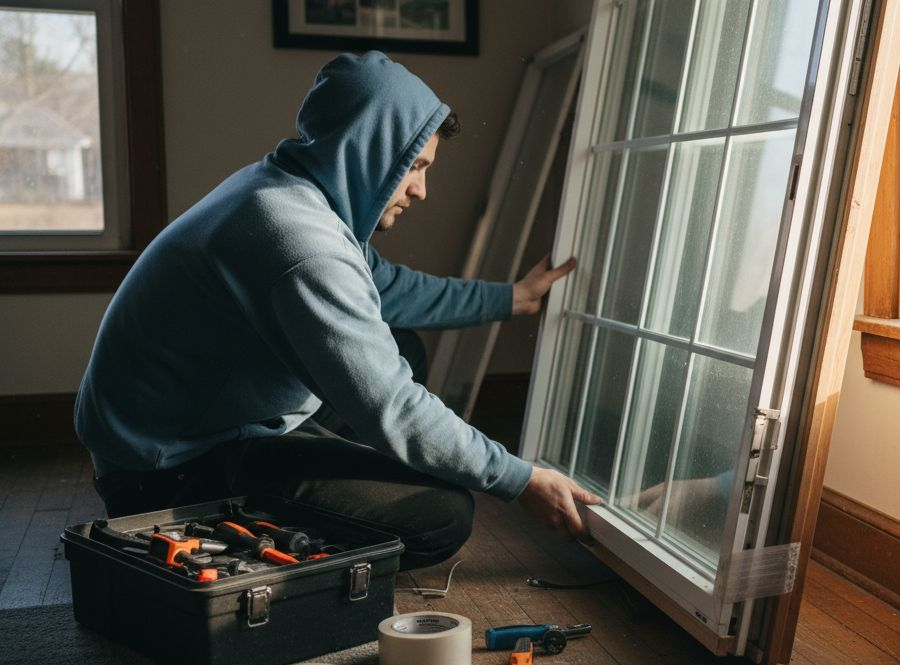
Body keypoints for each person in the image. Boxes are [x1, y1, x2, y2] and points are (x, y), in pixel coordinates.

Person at [74, 51, 600, 569]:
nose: (421, 190)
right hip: (167, 471)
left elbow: (390, 288)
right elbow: (391, 406)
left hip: (201, 423)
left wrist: (512, 298)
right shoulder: (301, 243)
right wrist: (520, 478)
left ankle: (321, 482)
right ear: (366, 151)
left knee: (405, 349)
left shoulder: (285, 189)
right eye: (414, 166)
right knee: (442, 515)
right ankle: (252, 533)